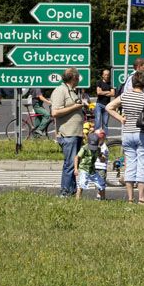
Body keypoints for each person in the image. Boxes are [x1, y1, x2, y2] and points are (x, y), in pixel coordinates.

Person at [106, 70, 144, 204]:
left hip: (127, 134)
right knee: (143, 165)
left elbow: (109, 107)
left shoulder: (125, 96)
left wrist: (121, 118)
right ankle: (142, 199)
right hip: (143, 135)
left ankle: (130, 199)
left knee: (130, 165)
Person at [51, 68, 88, 198]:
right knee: (70, 164)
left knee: (75, 163)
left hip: (75, 133)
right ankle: (65, 192)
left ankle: (71, 191)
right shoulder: (60, 91)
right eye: (78, 77)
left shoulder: (72, 91)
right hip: (67, 133)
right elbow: (55, 112)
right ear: (73, 78)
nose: (79, 80)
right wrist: (76, 107)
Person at [74, 129, 107, 200]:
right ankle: (77, 199)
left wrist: (102, 158)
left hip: (92, 169)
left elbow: (100, 156)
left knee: (101, 183)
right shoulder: (84, 148)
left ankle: (103, 199)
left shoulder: (98, 149)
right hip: (84, 169)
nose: (93, 148)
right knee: (82, 184)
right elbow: (77, 157)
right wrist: (76, 169)